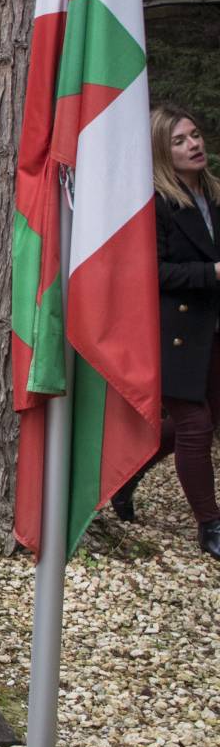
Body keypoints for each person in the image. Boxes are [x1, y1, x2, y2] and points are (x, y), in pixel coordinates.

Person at [134, 103, 220, 558]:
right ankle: (210, 525)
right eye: (180, 140)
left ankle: (125, 475)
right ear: (161, 151)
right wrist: (213, 274)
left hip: (213, 327)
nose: (194, 145)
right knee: (195, 423)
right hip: (173, 331)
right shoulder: (158, 204)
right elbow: (153, 271)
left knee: (208, 421)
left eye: (195, 135)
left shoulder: (214, 194)